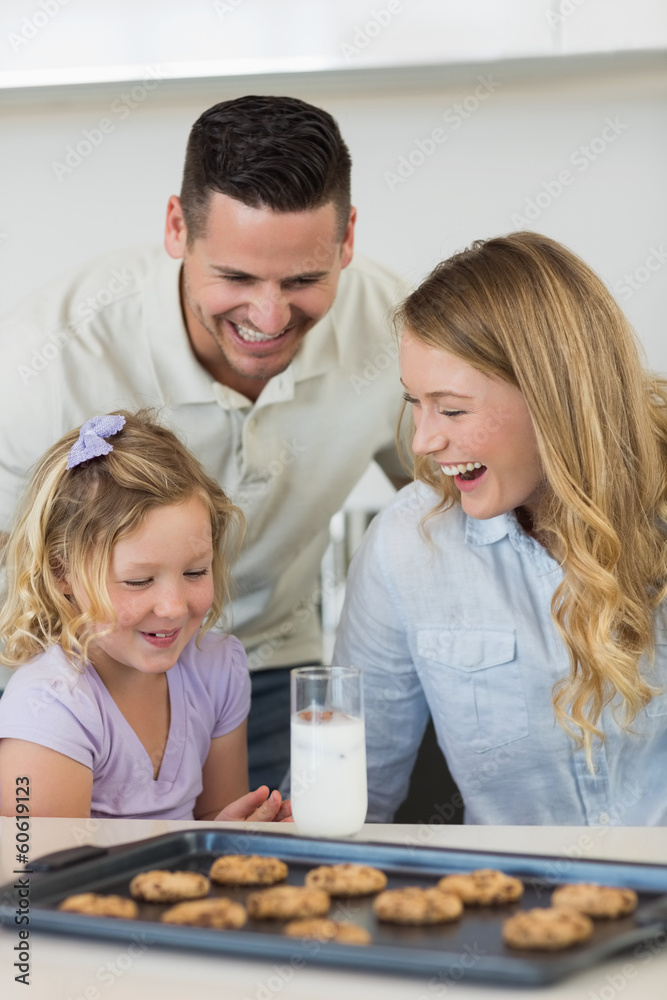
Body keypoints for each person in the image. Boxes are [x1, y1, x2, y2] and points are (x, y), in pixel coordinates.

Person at [0, 95, 408, 791]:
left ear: (346, 242)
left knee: (268, 874)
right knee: (53, 883)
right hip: (73, 671)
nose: (269, 315)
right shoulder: (47, 357)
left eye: (304, 280)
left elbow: (466, 493)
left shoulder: (398, 333)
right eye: (236, 278)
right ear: (176, 229)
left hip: (265, 664)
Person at [333, 231, 667, 826]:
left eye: (453, 409)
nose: (423, 442)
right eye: (415, 401)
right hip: (506, 909)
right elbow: (351, 800)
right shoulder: (405, 546)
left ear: (555, 397)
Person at [0, 411, 291, 822]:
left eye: (195, 572)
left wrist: (233, 836)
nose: (173, 607)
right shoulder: (51, 707)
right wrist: (203, 853)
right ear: (61, 572)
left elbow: (214, 821)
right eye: (138, 581)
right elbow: (37, 879)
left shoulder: (217, 667)